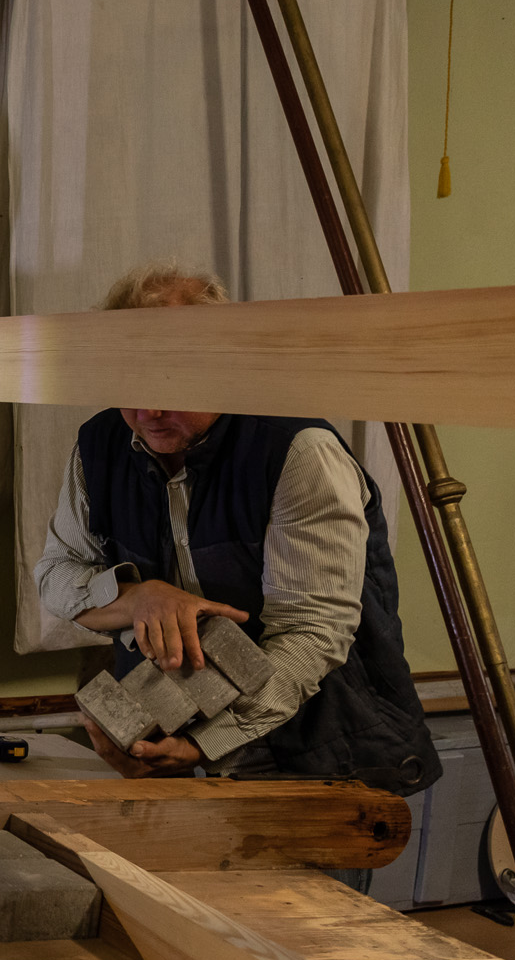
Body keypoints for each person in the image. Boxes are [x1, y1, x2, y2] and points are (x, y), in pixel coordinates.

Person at [34, 263, 439, 793]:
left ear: (224, 362)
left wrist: (207, 743)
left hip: (326, 756)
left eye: (170, 382)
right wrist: (140, 599)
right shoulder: (99, 445)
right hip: (181, 739)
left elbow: (312, 634)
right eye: (129, 382)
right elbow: (56, 575)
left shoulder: (299, 452)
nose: (148, 409)